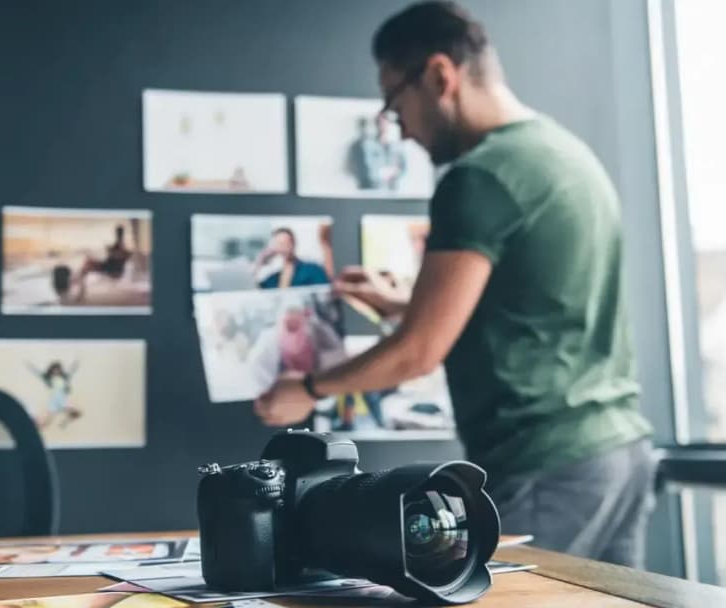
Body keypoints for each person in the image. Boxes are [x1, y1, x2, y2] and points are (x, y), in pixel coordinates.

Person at [254, 0, 655, 568]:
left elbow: (419, 352)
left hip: (547, 465)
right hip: (620, 455)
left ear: (440, 75)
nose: (402, 129)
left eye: (396, 103)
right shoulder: (565, 155)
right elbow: (531, 309)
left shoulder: (479, 176)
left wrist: (309, 389)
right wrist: (401, 303)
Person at [253, 227, 331, 289]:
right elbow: (256, 289)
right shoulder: (273, 278)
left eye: (286, 243)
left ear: (293, 243)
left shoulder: (312, 269)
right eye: (279, 244)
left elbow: (325, 291)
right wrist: (260, 261)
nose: (284, 247)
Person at [350, 114, 409, 191]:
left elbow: (403, 168)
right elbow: (367, 169)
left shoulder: (397, 146)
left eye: (385, 123)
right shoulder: (367, 145)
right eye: (380, 123)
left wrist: (394, 173)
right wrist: (383, 174)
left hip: (392, 189)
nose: (383, 126)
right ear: (376, 124)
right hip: (372, 190)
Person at [26, 359, 82, 429]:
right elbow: (38, 373)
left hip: (62, 399)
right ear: (52, 370)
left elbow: (71, 371)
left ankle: (64, 422)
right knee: (46, 422)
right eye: (55, 370)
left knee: (77, 413)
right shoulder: (48, 378)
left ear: (60, 370)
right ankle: (34, 423)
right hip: (54, 401)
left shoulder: (64, 378)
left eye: (58, 370)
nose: (56, 371)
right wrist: (31, 366)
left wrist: (76, 363)